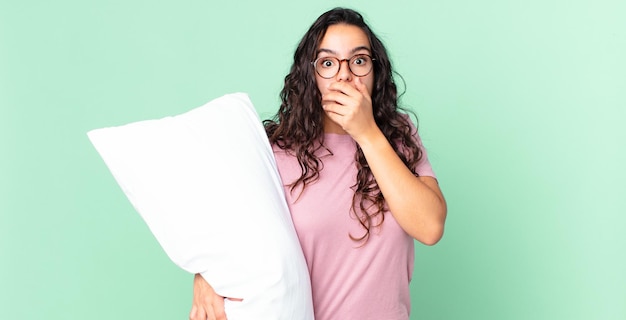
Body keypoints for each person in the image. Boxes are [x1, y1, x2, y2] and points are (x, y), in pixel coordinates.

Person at [189, 7, 447, 320]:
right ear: (310, 76)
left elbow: (430, 226)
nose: (345, 74)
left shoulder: (399, 135)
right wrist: (205, 277)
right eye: (328, 63)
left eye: (359, 60)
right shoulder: (274, 151)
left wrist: (366, 133)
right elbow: (228, 237)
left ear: (375, 72)